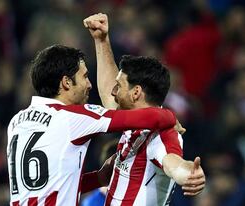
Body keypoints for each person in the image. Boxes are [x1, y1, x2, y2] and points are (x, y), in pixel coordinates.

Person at [6, 45, 181, 206]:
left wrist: (98, 178)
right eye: (84, 77)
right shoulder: (73, 117)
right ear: (66, 82)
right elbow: (144, 118)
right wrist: (170, 117)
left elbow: (47, 185)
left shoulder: (16, 122)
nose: (90, 85)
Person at [83, 13, 206, 205]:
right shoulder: (135, 122)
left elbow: (173, 162)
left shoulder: (161, 134)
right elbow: (108, 93)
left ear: (136, 93)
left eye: (119, 86)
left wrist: (189, 173)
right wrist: (101, 39)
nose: (114, 92)